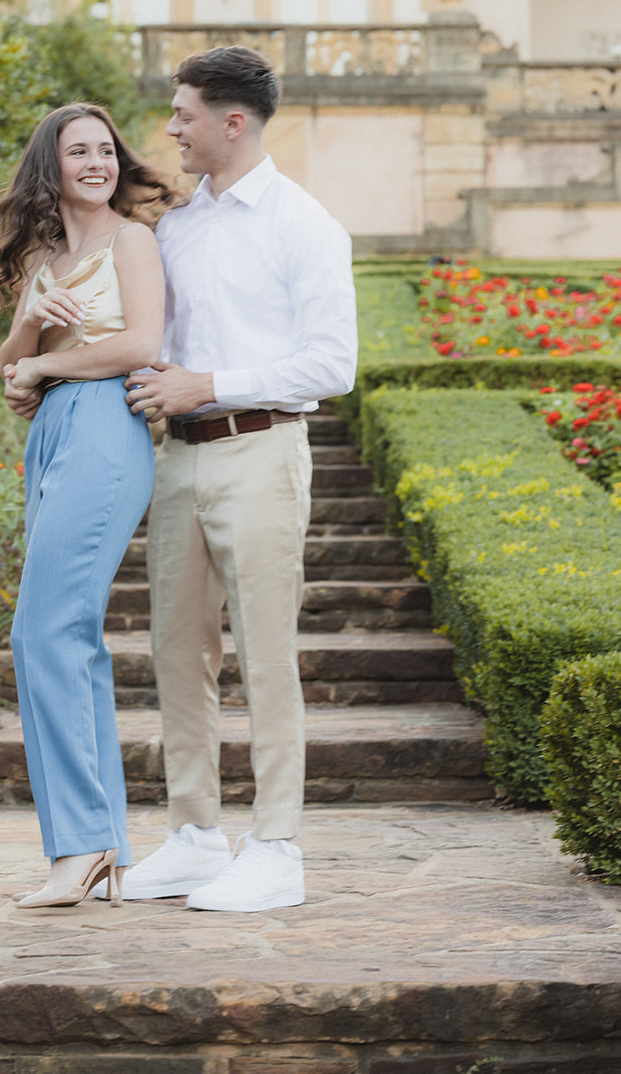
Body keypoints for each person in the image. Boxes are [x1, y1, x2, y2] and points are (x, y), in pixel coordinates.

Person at [117, 45, 357, 914]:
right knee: (178, 652)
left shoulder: (304, 224)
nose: (170, 129)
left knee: (265, 653)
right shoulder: (174, 227)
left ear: (231, 121)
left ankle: (277, 846)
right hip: (176, 454)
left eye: (182, 114)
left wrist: (210, 385)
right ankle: (193, 836)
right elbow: (147, 340)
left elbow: (332, 362)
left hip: (261, 449)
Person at [0, 103, 170, 909]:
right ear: (49, 168)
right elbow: (9, 365)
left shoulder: (133, 240)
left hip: (103, 431)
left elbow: (141, 345)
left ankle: (80, 847)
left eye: (104, 149)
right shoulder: (44, 256)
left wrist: (49, 371)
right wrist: (26, 332)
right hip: (51, 436)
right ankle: (107, 851)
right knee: (71, 635)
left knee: (41, 630)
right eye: (77, 151)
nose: (95, 162)